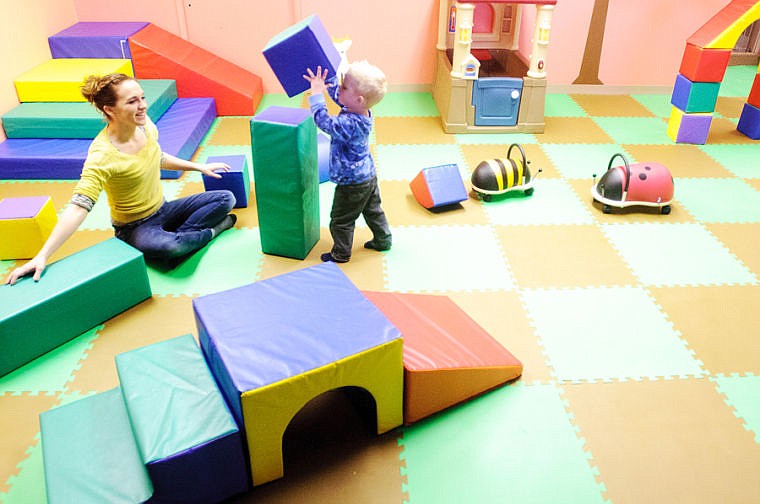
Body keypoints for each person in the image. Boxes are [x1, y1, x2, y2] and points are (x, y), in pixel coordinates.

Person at [5, 73, 237, 285]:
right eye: (132, 101)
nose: (143, 106)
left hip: (163, 209)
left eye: (142, 97)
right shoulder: (102, 156)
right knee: (170, 246)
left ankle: (182, 241)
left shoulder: (145, 126)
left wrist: (200, 167)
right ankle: (210, 232)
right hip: (134, 227)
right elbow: (78, 207)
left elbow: (157, 157)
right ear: (110, 110)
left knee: (225, 199)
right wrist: (42, 256)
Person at [303, 61, 392, 263]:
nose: (339, 90)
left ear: (358, 99)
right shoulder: (360, 109)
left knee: (340, 220)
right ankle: (383, 239)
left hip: (352, 182)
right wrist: (330, 80)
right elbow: (341, 97)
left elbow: (324, 121)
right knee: (373, 210)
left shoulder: (350, 123)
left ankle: (341, 253)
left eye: (344, 87)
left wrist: (316, 94)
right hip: (367, 175)